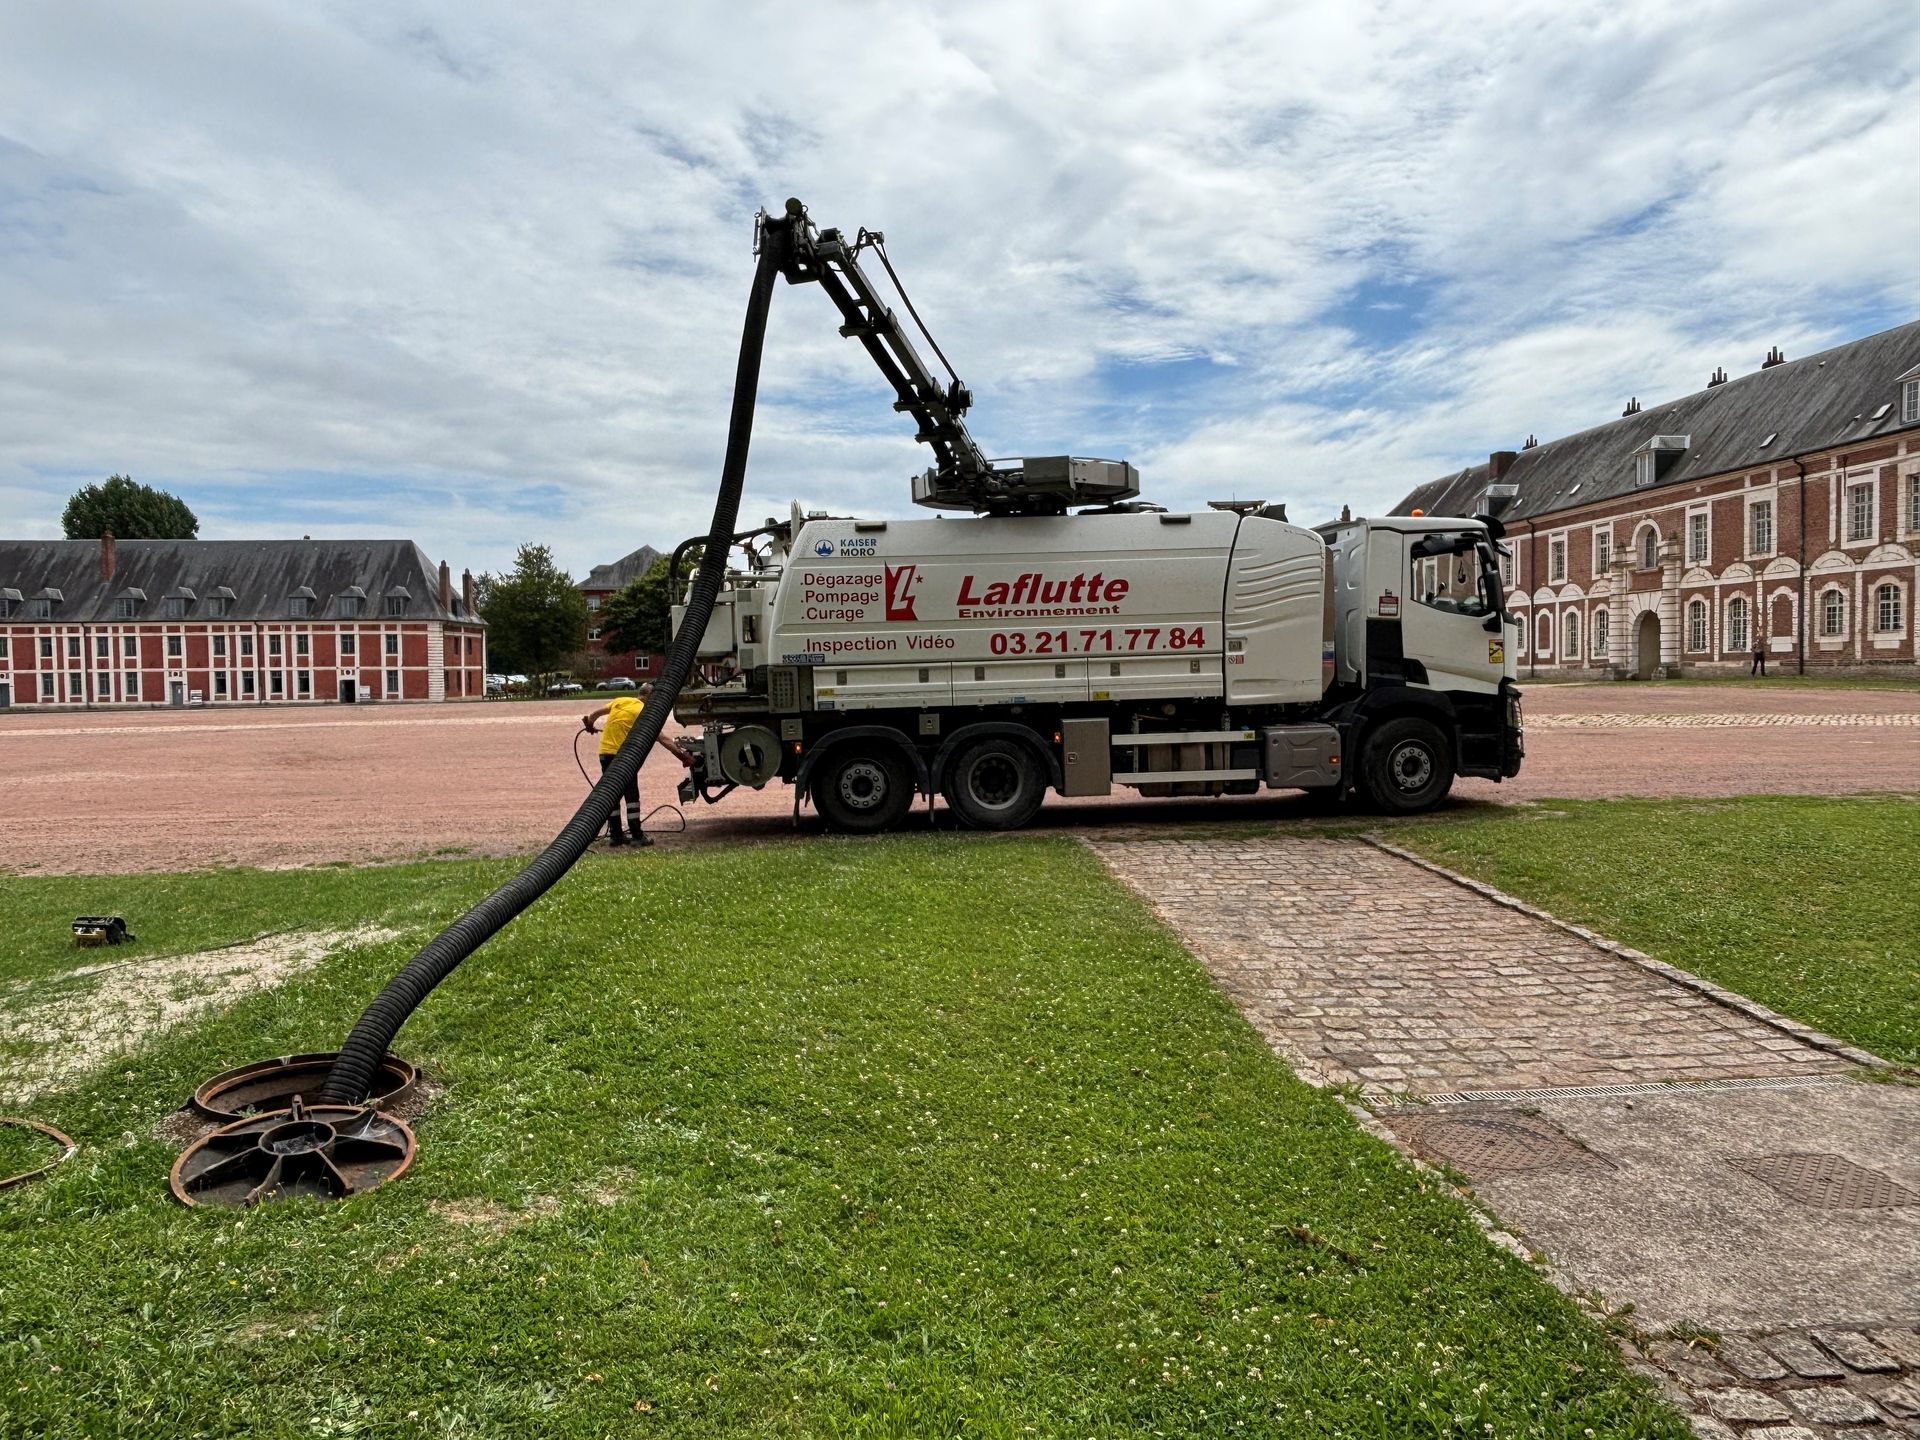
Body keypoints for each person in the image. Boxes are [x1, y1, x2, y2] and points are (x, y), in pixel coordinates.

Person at [582, 683, 694, 847]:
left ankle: (616, 835)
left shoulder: (621, 701)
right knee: (631, 795)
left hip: (605, 752)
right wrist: (683, 756)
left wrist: (590, 724)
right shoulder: (644, 712)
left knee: (611, 794)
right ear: (650, 698)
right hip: (623, 756)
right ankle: (637, 835)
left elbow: (594, 714)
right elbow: (663, 739)